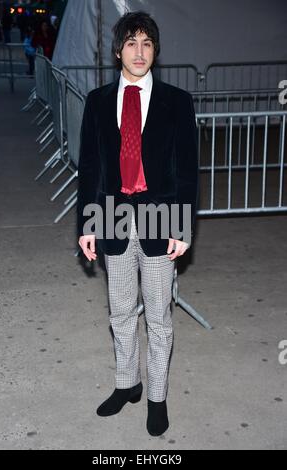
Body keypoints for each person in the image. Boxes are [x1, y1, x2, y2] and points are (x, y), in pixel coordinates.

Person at [77, 11, 198, 437]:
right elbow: (89, 168)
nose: (139, 51)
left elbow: (187, 171)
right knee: (121, 311)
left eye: (147, 43)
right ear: (117, 51)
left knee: (159, 318)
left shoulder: (178, 102)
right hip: (111, 216)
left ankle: (157, 397)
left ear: (155, 51)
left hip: (161, 219)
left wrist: (182, 229)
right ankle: (127, 384)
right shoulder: (97, 101)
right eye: (131, 43)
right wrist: (88, 224)